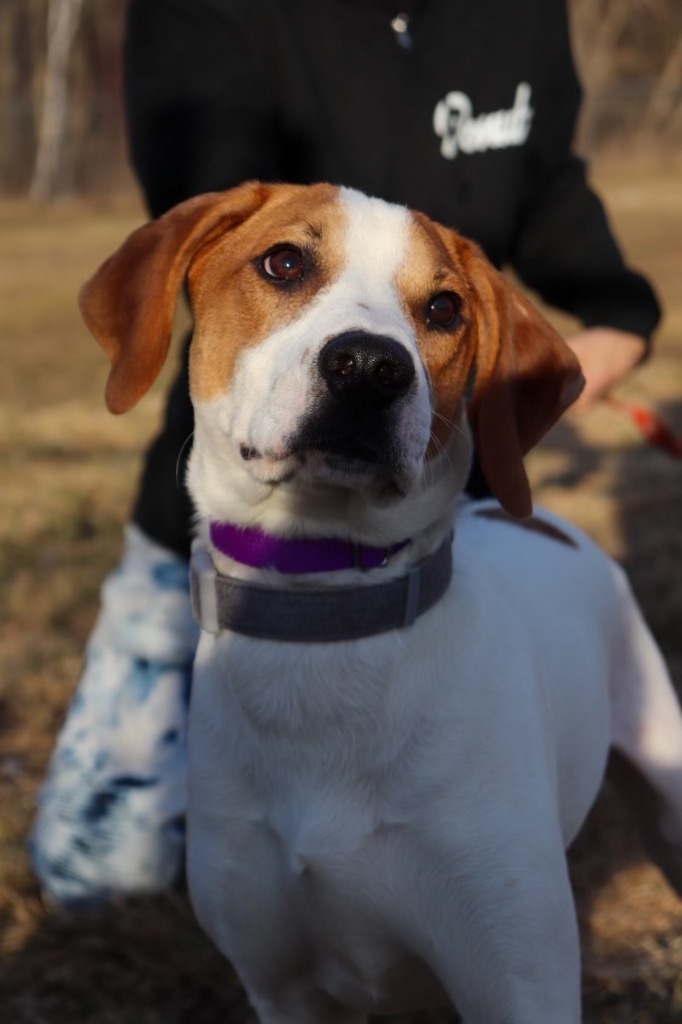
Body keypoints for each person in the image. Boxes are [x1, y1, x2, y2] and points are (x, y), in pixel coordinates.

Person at [31, 0, 660, 906]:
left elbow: (548, 174)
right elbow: (203, 190)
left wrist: (614, 316)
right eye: (288, 269)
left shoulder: (518, 16)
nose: (368, 356)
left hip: (427, 535)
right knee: (99, 878)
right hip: (212, 536)